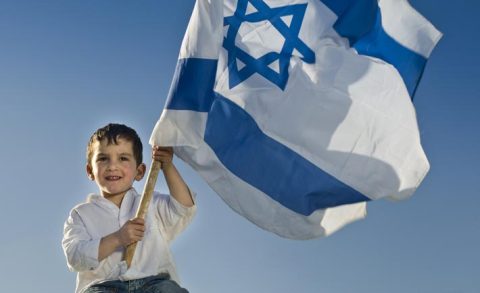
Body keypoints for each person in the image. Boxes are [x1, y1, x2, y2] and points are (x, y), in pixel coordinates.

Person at [62, 123, 195, 293]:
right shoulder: (81, 215)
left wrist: (167, 165)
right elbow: (75, 256)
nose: (112, 166)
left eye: (123, 158)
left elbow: (184, 208)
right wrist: (118, 238)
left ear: (140, 172)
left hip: (153, 283)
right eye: (103, 158)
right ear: (90, 170)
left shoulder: (150, 203)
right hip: (104, 286)